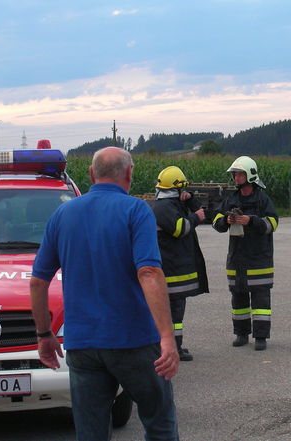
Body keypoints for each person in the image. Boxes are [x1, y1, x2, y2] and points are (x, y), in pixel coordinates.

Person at [30, 147, 180, 441]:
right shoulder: (137, 210)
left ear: (91, 174)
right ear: (129, 173)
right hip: (134, 341)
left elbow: (37, 282)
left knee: (91, 432)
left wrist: (44, 334)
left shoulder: (63, 213)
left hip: (83, 345)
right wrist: (166, 336)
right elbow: (149, 272)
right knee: (159, 423)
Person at [212, 156, 278, 351]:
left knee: (261, 300)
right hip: (237, 258)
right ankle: (241, 334)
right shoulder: (231, 199)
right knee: (238, 297)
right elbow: (216, 222)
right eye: (234, 174)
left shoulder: (262, 199)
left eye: (239, 174)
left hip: (259, 258)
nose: (236, 178)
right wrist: (226, 221)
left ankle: (260, 337)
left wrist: (252, 221)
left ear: (250, 175)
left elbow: (273, 223)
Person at [151, 166, 209, 362]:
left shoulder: (169, 203)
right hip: (171, 270)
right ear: (176, 188)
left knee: (176, 311)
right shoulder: (164, 208)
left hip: (173, 268)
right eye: (182, 188)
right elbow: (180, 228)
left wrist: (190, 200)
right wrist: (196, 217)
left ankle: (175, 346)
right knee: (173, 312)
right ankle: (172, 348)